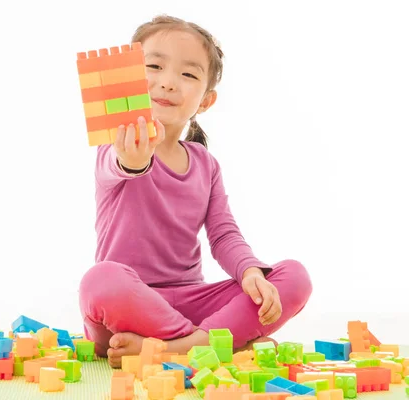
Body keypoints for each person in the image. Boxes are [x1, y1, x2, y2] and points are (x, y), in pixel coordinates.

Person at [78, 14, 312, 368]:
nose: (168, 82)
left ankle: (179, 347)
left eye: (188, 74)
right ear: (126, 76)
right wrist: (132, 159)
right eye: (154, 66)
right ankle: (213, 344)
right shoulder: (117, 146)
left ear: (205, 100)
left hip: (193, 299)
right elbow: (119, 164)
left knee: (293, 276)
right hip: (127, 306)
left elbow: (223, 234)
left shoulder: (205, 164)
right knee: (100, 280)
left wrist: (250, 273)